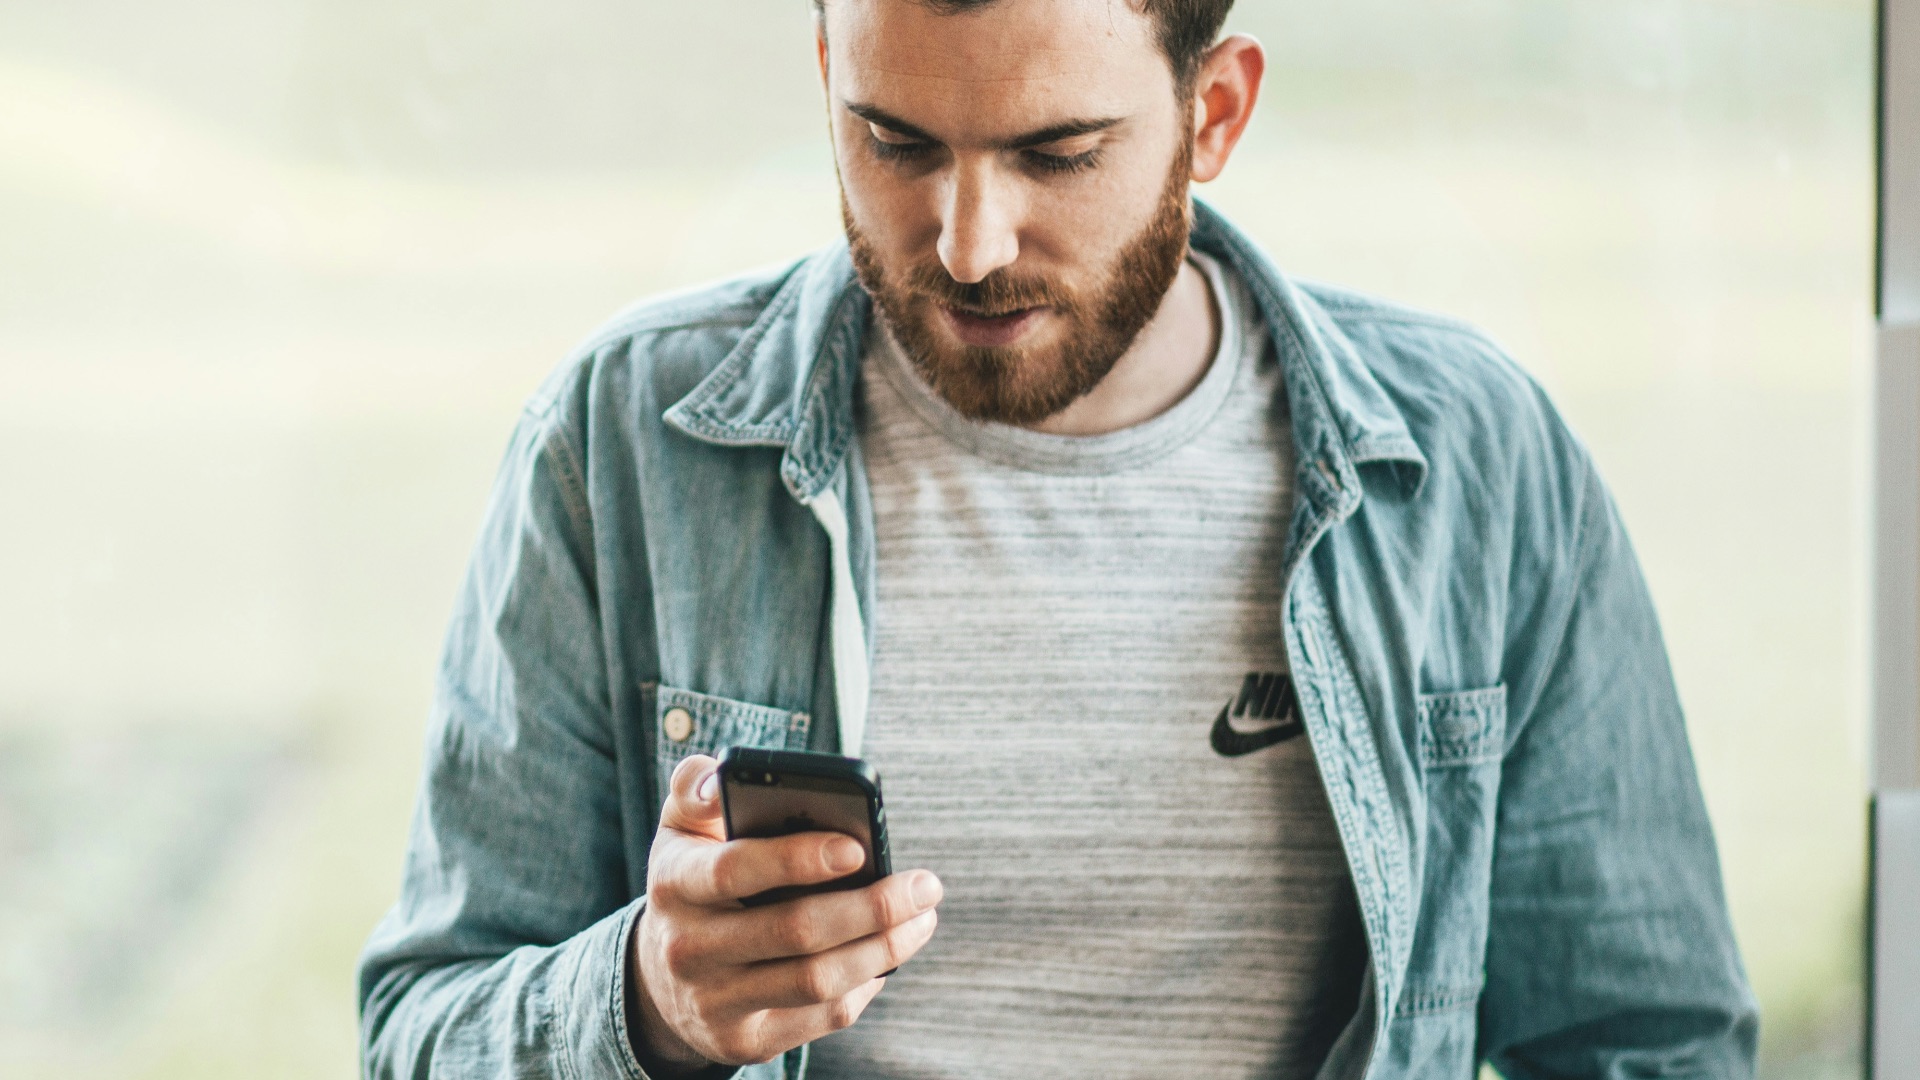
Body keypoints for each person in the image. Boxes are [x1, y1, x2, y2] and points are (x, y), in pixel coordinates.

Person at [357, 0, 1760, 1077]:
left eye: (1056, 153)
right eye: (893, 141)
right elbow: (422, 1029)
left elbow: (1647, 1038)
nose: (967, 243)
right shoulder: (625, 441)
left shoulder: (1476, 465)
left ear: (1213, 112)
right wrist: (649, 1006)